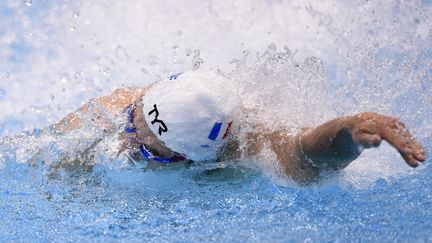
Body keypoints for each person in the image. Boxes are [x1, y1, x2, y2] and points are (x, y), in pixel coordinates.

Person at [51, 70, 427, 182]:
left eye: (152, 153)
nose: (126, 145)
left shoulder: (243, 145)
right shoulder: (111, 107)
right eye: (131, 124)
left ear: (193, 159)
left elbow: (305, 158)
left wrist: (350, 130)